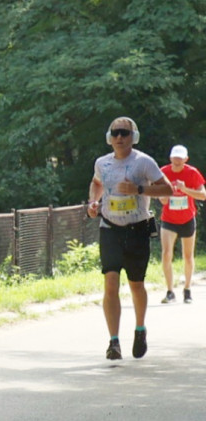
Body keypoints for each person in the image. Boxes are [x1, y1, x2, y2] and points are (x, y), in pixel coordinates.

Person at [87, 116, 172, 360]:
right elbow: (96, 183)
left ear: (133, 136)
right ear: (109, 137)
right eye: (115, 133)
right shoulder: (102, 163)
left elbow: (167, 189)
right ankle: (114, 341)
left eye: (124, 133)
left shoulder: (143, 162)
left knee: (136, 284)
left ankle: (140, 329)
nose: (120, 138)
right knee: (110, 282)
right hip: (110, 228)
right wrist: (93, 203)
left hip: (137, 229)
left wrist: (139, 190)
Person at [157, 144, 205, 304]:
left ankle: (187, 289)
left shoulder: (192, 173)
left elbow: (203, 195)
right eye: (174, 159)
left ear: (186, 159)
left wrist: (184, 190)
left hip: (187, 218)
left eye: (180, 159)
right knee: (166, 253)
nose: (177, 162)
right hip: (169, 218)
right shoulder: (163, 172)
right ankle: (170, 291)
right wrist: (162, 198)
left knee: (188, 256)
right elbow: (158, 193)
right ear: (170, 158)